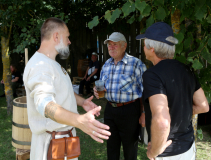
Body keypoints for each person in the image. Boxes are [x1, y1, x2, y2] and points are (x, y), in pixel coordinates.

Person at [23, 17, 111, 160]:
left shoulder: (51, 63)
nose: (69, 41)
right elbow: (44, 105)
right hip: (51, 145)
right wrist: (80, 120)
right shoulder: (40, 66)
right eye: (67, 36)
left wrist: (83, 102)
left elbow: (62, 91)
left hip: (64, 140)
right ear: (56, 36)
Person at [136, 22, 209, 160]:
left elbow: (162, 122)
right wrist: (181, 112)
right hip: (188, 147)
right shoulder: (186, 70)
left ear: (152, 49)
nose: (143, 48)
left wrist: (153, 152)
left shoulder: (152, 75)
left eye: (144, 44)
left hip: (168, 154)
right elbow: (203, 106)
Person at [93, 32, 147, 160]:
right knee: (111, 146)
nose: (111, 47)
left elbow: (147, 91)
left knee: (130, 148)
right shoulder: (106, 65)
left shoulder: (135, 64)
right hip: (110, 110)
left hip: (129, 111)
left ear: (124, 46)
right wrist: (97, 91)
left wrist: (144, 112)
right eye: (109, 45)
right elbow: (102, 87)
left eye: (115, 44)